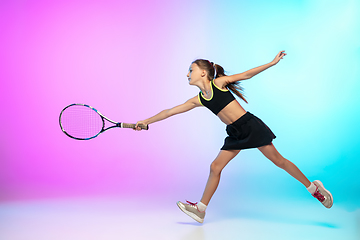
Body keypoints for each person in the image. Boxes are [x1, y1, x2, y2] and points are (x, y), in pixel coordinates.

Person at [134, 51, 333, 223]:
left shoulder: (218, 83)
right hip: (235, 132)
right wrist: (145, 121)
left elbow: (246, 74)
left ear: (203, 73)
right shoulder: (199, 99)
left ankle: (312, 187)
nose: (187, 74)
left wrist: (272, 63)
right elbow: (169, 111)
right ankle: (200, 209)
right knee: (215, 167)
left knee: (278, 161)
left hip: (250, 126)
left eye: (191, 70)